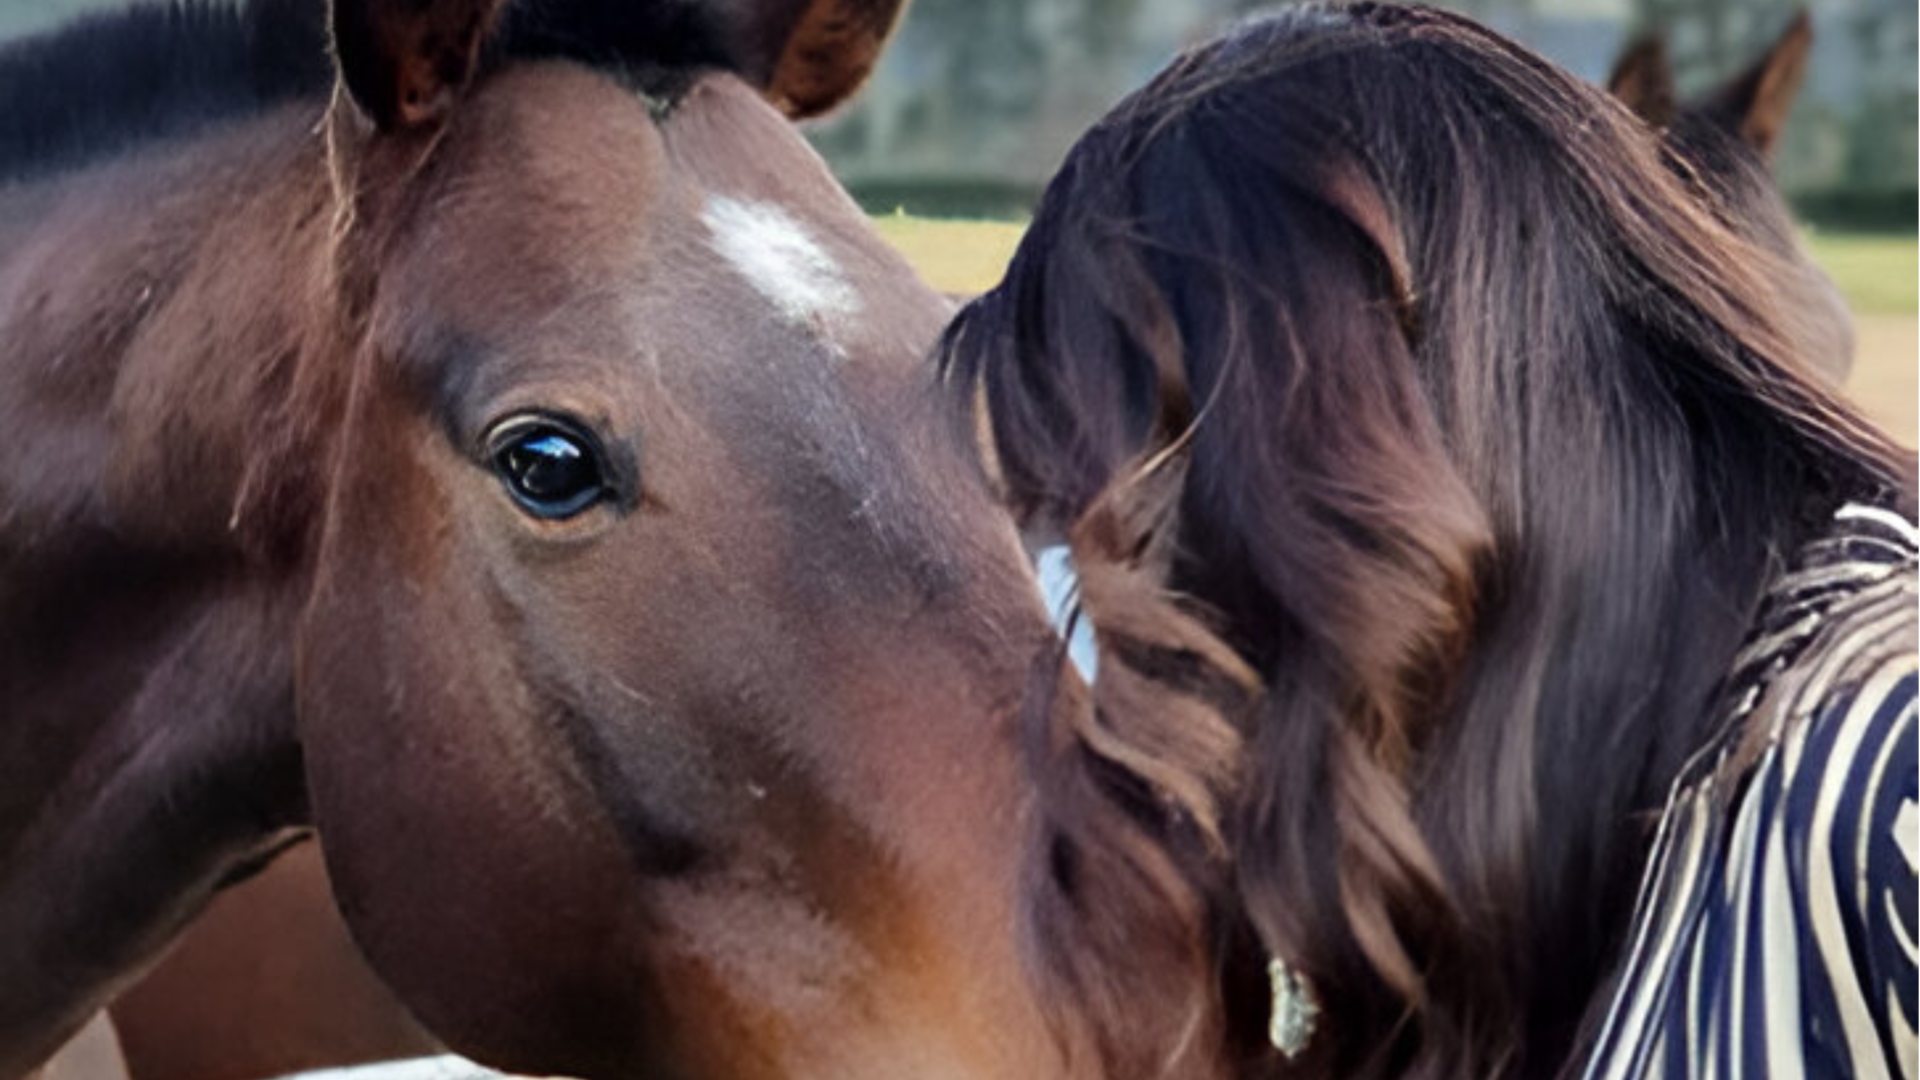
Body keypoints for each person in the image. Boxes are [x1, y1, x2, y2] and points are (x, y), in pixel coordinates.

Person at [937, 5, 1919, 1078]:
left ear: (1323, 484)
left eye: (1126, 539)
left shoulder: (1877, 775)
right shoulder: (1615, 830)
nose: (1104, 631)